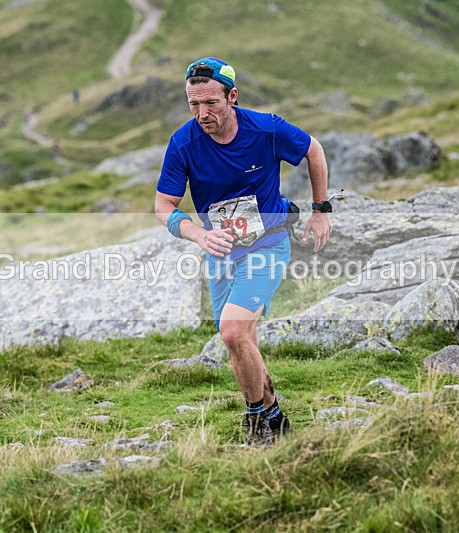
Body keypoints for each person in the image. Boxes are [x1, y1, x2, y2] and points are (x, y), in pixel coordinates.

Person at [154, 57, 331, 446]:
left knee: (233, 332)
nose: (202, 113)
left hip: (267, 243)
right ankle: (275, 415)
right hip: (219, 252)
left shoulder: (266, 129)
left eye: (211, 103)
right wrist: (198, 235)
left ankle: (255, 423)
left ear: (232, 96)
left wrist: (320, 211)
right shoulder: (183, 143)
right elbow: (164, 205)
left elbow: (314, 151)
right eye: (193, 104)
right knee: (240, 339)